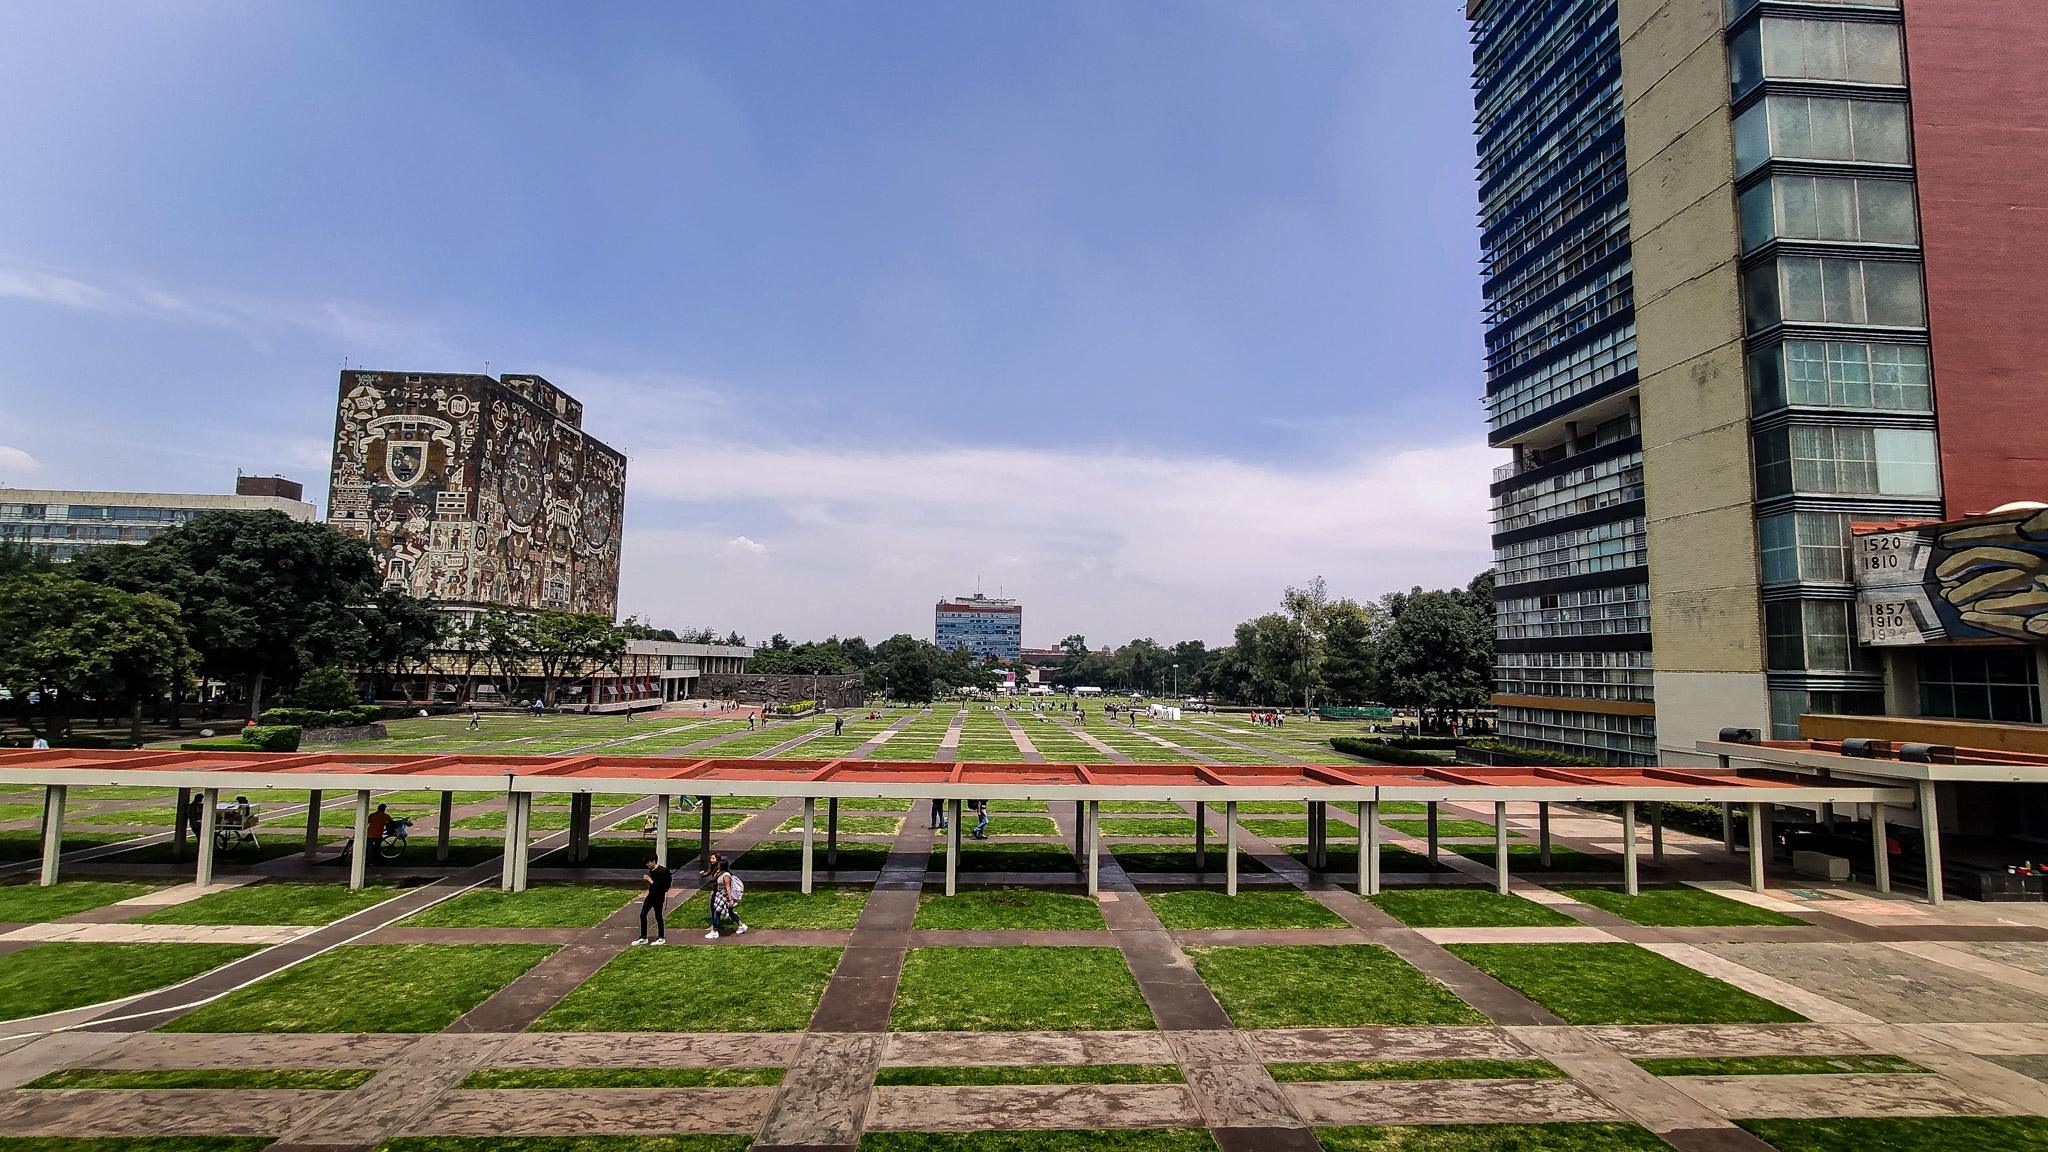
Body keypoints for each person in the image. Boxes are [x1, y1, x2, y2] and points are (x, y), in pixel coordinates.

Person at [704, 855, 747, 939]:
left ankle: (715, 931)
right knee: (730, 912)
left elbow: (728, 888)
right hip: (720, 895)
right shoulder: (720, 873)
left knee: (717, 911)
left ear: (722, 866)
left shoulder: (726, 876)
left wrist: (730, 899)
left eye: (719, 865)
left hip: (724, 896)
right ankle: (741, 925)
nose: (717, 866)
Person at [634, 855, 671, 945]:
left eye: (648, 862)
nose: (647, 865)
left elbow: (659, 886)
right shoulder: (652, 871)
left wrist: (649, 879)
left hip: (658, 897)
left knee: (658, 916)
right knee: (643, 914)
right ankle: (643, 937)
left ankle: (661, 937)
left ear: (654, 861)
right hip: (651, 896)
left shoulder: (662, 871)